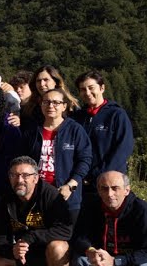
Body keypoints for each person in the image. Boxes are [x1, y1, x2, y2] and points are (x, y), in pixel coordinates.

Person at [20, 88, 93, 218]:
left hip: (65, 195)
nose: (50, 106)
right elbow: (22, 160)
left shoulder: (75, 130)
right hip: (35, 195)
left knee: (62, 231)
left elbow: (85, 160)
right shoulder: (32, 131)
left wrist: (71, 185)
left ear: (64, 106)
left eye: (56, 102)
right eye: (46, 102)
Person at [71, 71, 134, 202]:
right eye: (83, 89)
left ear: (102, 88)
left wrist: (100, 175)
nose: (87, 93)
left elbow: (123, 148)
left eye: (91, 88)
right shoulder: (78, 117)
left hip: (108, 183)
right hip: (81, 182)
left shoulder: (116, 115)